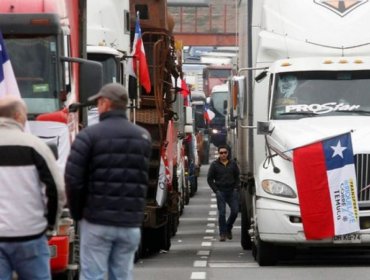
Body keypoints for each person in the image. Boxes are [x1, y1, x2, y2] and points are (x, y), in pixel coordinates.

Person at [65, 83, 152, 280]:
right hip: (129, 223)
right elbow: (141, 179)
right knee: (122, 275)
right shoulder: (142, 136)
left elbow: (73, 179)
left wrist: (78, 213)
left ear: (106, 103)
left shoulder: (88, 136)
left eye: (98, 102)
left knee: (93, 275)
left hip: (97, 220)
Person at [0, 96, 65, 279]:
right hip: (31, 234)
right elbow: (57, 190)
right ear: (19, 116)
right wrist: (51, 224)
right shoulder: (36, 146)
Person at [207, 145, 240, 241]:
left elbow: (237, 177)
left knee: (235, 211)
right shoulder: (214, 165)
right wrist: (216, 190)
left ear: (228, 153)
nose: (223, 155)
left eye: (225, 152)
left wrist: (236, 188)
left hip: (232, 191)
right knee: (222, 213)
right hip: (221, 191)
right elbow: (209, 179)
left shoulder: (233, 164)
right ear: (218, 153)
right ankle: (223, 233)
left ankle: (228, 227)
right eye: (221, 153)